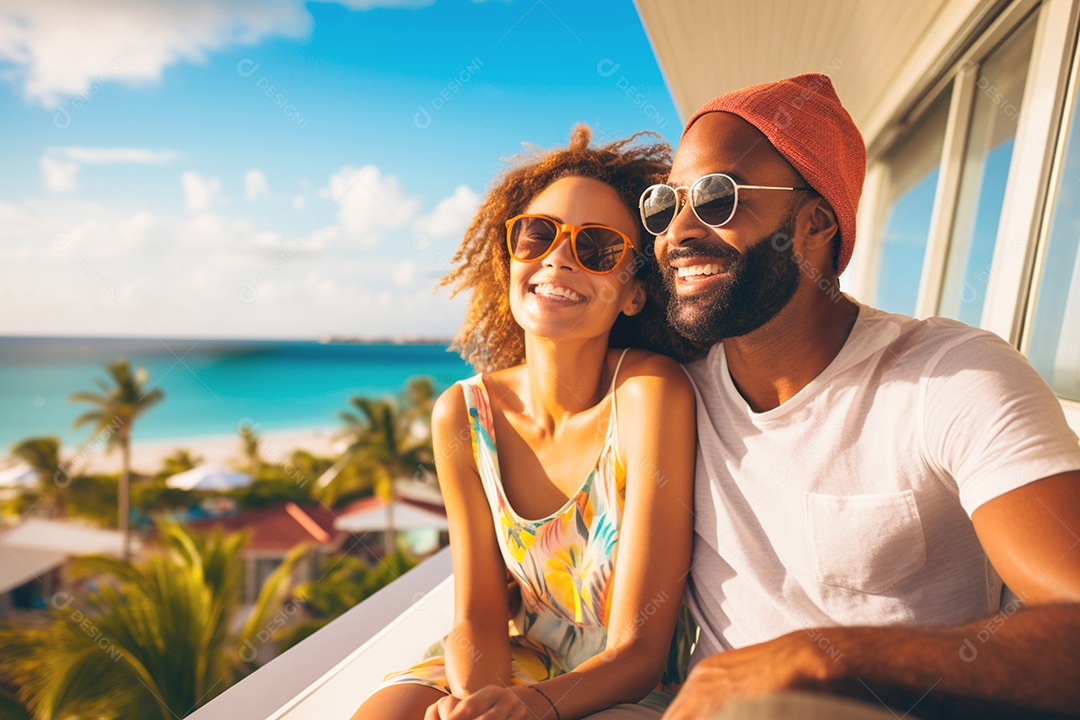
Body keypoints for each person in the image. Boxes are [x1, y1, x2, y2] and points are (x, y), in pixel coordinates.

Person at [630, 74, 1080, 719]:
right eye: (664, 205)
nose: (677, 232)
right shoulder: (669, 394)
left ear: (815, 224)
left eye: (717, 199)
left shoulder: (949, 379)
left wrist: (822, 660)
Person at [351, 126, 697, 720]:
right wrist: (476, 702)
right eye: (538, 235)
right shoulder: (463, 414)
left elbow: (639, 649)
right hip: (523, 654)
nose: (558, 256)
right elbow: (479, 614)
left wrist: (528, 706)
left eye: (597, 248)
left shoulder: (649, 394)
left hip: (625, 679)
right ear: (510, 258)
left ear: (634, 293)